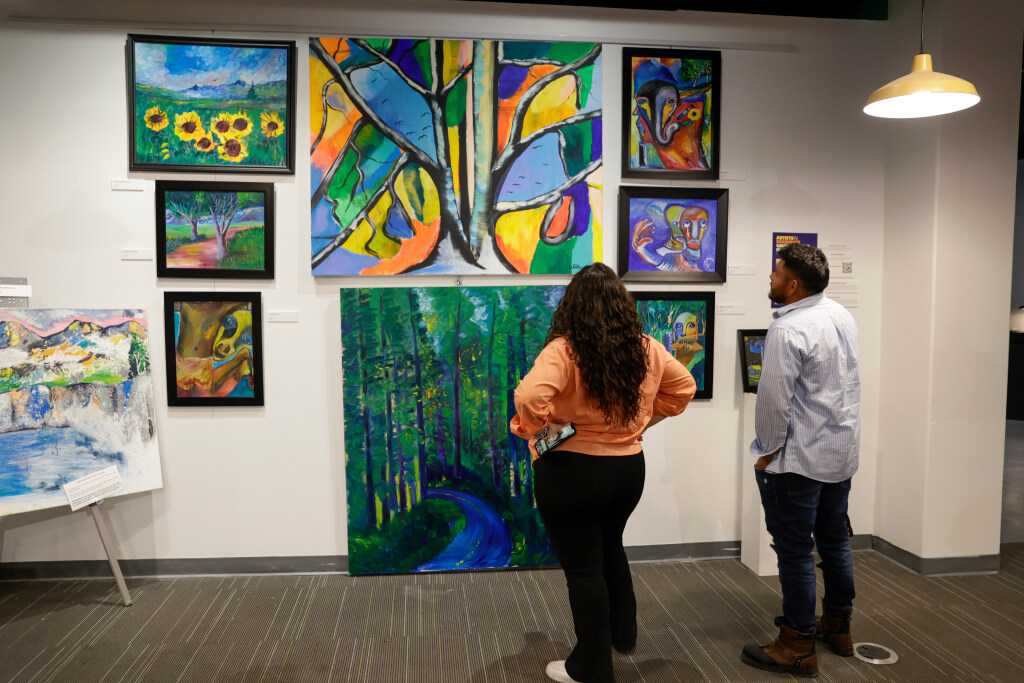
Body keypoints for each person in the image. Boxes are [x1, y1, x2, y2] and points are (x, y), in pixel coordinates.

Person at [510, 263, 696, 683]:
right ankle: (622, 632)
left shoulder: (565, 350)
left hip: (573, 470)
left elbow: (529, 395)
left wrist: (539, 430)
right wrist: (641, 422)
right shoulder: (646, 346)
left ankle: (591, 666)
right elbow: (683, 387)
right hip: (628, 470)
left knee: (583, 569)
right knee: (610, 545)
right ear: (620, 304)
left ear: (573, 306)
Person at [741, 244, 860, 678]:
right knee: (834, 543)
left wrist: (765, 453)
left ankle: (796, 644)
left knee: (794, 553)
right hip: (839, 455)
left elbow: (773, 402)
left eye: (776, 272)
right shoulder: (841, 316)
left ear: (793, 284)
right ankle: (839, 628)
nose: (770, 279)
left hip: (798, 460)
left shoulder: (789, 330)